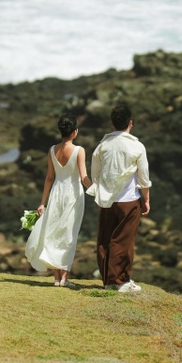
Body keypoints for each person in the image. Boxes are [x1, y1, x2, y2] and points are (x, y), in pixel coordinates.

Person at [88, 103, 150, 294]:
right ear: (130, 123)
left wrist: (100, 191)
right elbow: (143, 177)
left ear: (112, 123)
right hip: (128, 199)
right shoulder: (137, 146)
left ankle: (108, 280)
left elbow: (95, 174)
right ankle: (120, 281)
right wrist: (146, 199)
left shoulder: (102, 146)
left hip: (106, 200)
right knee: (124, 241)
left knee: (105, 239)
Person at [25, 113, 92, 287]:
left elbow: (49, 178)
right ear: (75, 132)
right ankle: (64, 278)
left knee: (53, 232)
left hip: (56, 193)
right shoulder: (79, 150)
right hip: (73, 194)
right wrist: (96, 190)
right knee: (69, 234)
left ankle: (56, 278)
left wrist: (42, 202)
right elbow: (83, 177)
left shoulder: (52, 150)